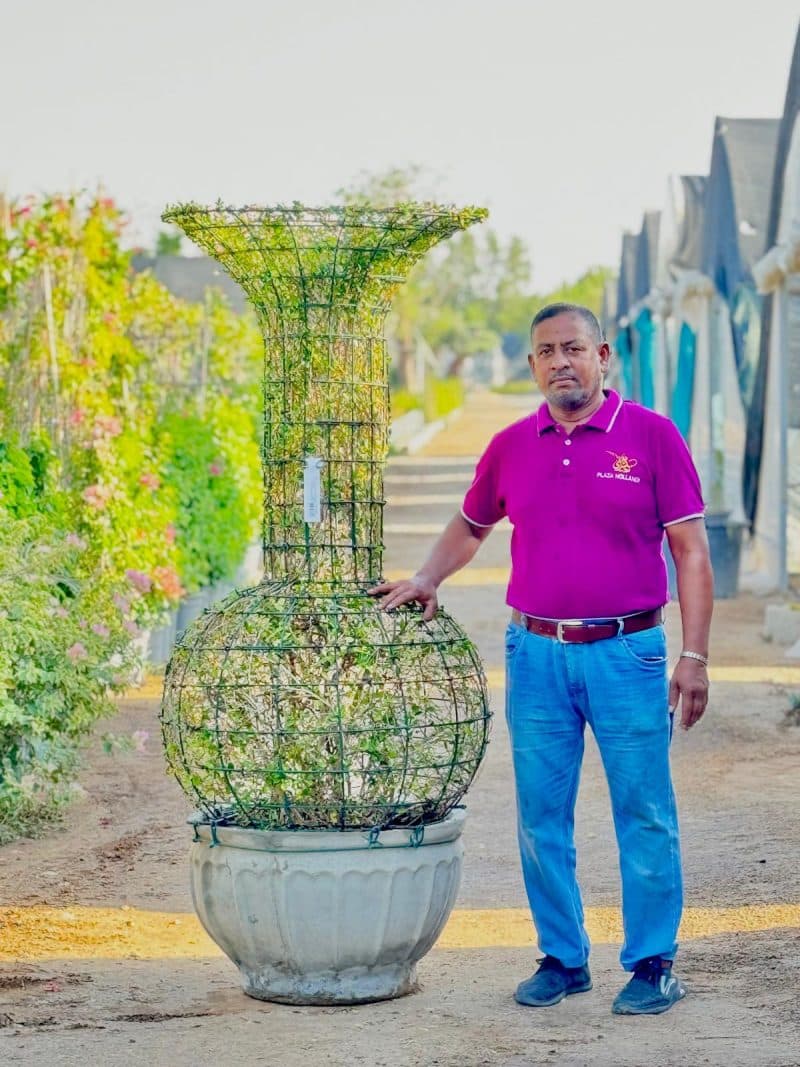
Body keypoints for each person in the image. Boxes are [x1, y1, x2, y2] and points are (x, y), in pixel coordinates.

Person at [369, 302, 713, 1016]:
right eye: (547, 351)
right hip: (537, 655)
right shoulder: (511, 445)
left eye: (574, 348)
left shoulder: (651, 437)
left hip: (628, 652)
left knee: (643, 809)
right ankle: (563, 956)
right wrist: (428, 577)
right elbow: (471, 523)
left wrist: (695, 654)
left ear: (603, 356)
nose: (561, 361)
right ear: (531, 365)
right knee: (540, 815)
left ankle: (653, 961)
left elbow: (690, 550)